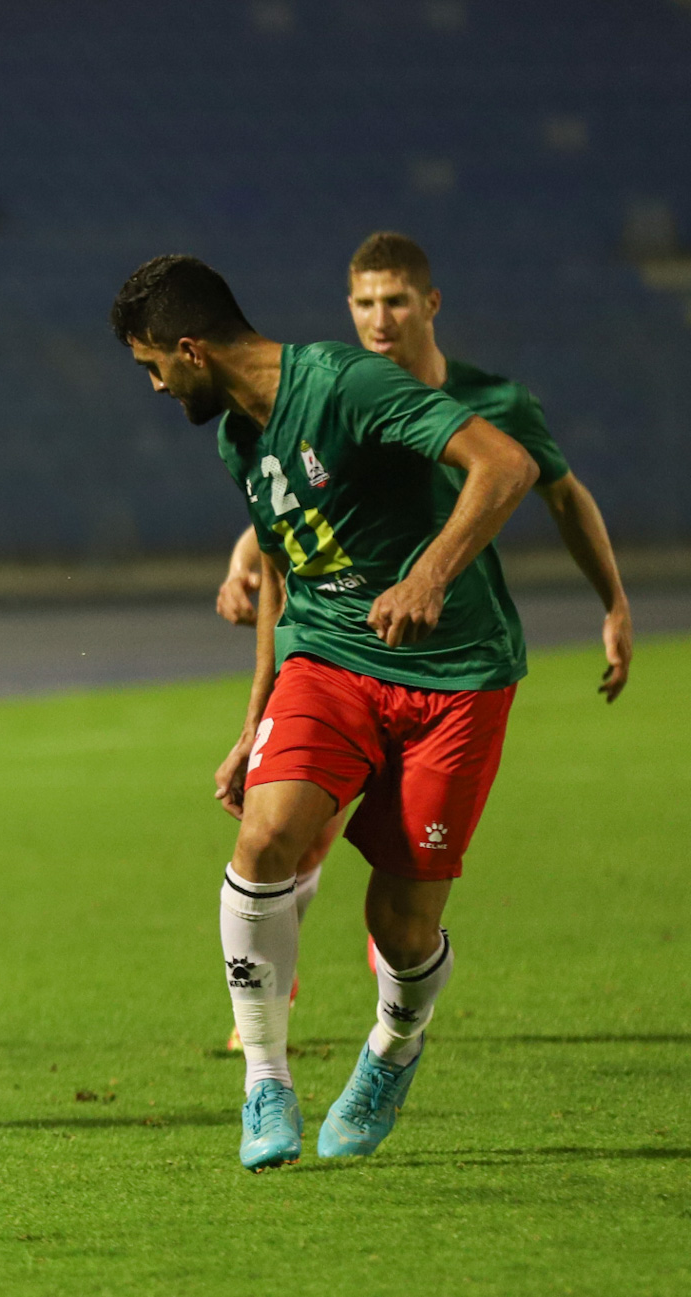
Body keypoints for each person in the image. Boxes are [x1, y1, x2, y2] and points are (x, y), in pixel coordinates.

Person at [111, 256, 540, 1170]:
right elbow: (283, 573)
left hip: (454, 670)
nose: (153, 384)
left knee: (402, 923)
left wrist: (429, 574)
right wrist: (252, 721)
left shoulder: (347, 386)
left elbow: (506, 464)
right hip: (332, 655)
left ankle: (393, 1047)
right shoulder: (238, 436)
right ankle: (265, 1079)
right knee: (265, 840)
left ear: (191, 349)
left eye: (153, 364)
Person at [213, 234, 633, 1048]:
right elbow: (292, 499)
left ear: (430, 305)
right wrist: (244, 558)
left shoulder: (495, 404)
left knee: (401, 889)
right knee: (290, 818)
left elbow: (562, 495)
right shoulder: (337, 396)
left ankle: (395, 967)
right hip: (347, 653)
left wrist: (613, 601)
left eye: (396, 301)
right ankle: (272, 998)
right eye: (364, 303)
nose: (379, 318)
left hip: (450, 665)